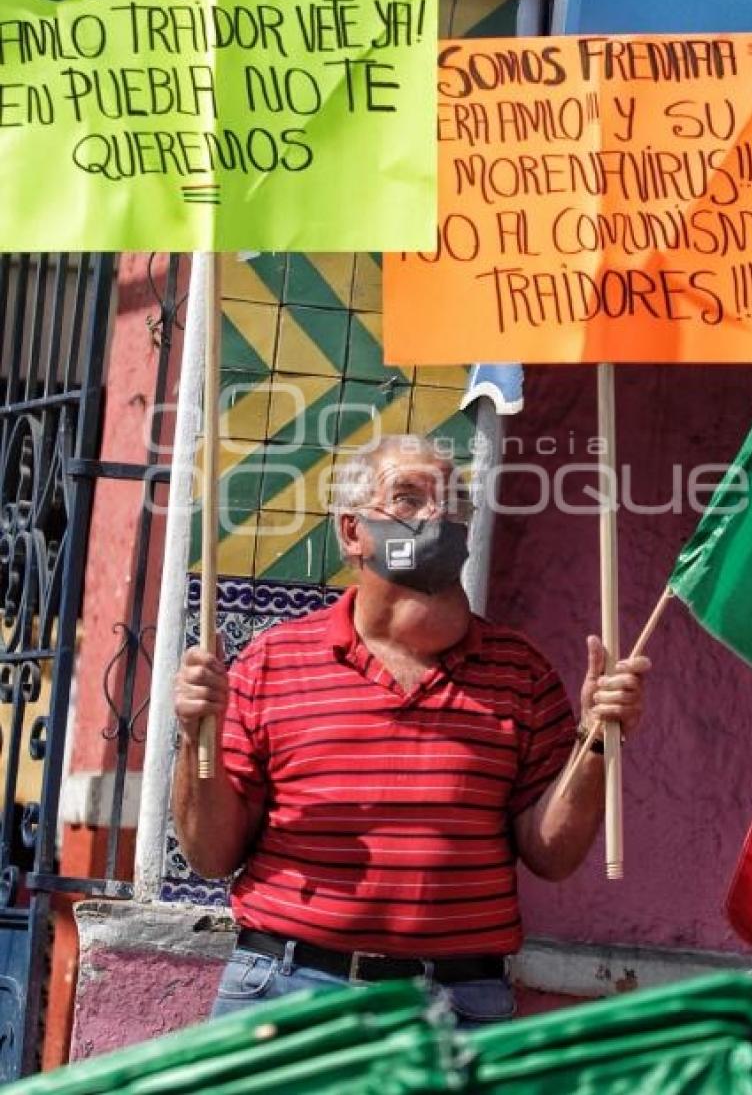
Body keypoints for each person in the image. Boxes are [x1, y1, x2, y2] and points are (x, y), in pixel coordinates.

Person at [172, 435, 650, 1023]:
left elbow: (551, 855)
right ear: (353, 533)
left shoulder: (520, 673)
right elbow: (210, 855)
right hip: (286, 993)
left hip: (456, 1008)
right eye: (407, 498)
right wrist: (196, 732)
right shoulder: (273, 663)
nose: (437, 516)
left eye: (452, 501)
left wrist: (597, 739)